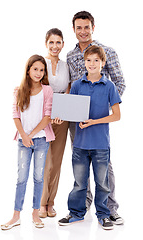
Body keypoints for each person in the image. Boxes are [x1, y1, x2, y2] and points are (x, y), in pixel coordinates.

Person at [67, 11, 126, 225]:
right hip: (78, 120)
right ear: (74, 30)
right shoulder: (71, 56)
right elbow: (70, 86)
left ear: (93, 27)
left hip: (100, 121)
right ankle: (81, 208)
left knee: (103, 167)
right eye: (78, 27)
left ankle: (109, 209)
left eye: (86, 27)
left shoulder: (108, 51)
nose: (83, 31)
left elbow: (119, 82)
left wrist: (104, 103)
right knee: (80, 165)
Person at [58, 45, 121, 230]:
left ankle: (103, 215)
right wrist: (60, 114)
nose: (92, 64)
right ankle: (76, 214)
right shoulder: (77, 85)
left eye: (96, 60)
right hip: (80, 144)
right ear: (83, 62)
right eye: (88, 60)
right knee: (79, 182)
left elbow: (116, 115)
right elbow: (70, 111)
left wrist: (94, 122)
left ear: (103, 63)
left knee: (102, 183)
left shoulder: (109, 86)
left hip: (101, 144)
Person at [1, 55, 55, 230]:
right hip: (24, 140)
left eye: (42, 70)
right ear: (28, 70)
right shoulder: (19, 90)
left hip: (41, 140)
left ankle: (35, 213)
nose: (38, 73)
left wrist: (30, 135)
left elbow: (47, 117)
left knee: (38, 178)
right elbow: (15, 115)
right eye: (35, 69)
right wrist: (24, 136)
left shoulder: (47, 90)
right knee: (21, 178)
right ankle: (16, 216)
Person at [39, 28, 70, 218]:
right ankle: (41, 203)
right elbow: (36, 87)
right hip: (43, 116)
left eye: (58, 42)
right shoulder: (40, 63)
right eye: (51, 42)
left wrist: (62, 112)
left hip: (62, 117)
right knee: (44, 161)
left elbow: (68, 88)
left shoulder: (66, 66)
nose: (55, 46)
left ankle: (51, 203)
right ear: (46, 44)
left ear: (63, 44)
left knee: (56, 162)